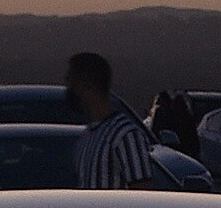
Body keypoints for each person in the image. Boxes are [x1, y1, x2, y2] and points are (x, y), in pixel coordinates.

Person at [64, 52, 185, 190]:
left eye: (71, 83)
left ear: (87, 86)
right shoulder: (88, 136)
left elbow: (141, 191)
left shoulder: (125, 135)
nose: (68, 91)